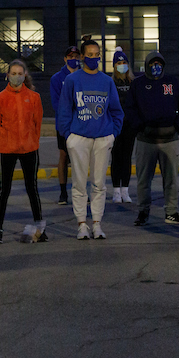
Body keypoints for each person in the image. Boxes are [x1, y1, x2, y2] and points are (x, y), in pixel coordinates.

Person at [57, 37, 124, 240]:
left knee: (98, 183)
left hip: (103, 138)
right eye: (90, 55)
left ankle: (97, 223)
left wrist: (113, 133)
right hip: (79, 137)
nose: (93, 58)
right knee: (79, 183)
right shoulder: (72, 80)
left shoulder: (107, 81)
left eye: (97, 55)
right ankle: (81, 224)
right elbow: (64, 110)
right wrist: (69, 136)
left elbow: (116, 111)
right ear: (83, 57)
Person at [128, 50, 179, 227]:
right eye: (153, 64)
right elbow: (130, 109)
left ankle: (171, 212)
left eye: (159, 64)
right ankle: (143, 211)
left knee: (171, 179)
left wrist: (177, 125)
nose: (156, 67)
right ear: (147, 65)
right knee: (143, 179)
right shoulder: (138, 84)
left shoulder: (172, 82)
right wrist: (141, 127)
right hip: (146, 139)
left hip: (170, 138)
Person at [0, 60, 45, 243]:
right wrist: (5, 140)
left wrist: (32, 141)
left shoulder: (34, 97)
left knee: (32, 188)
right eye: (13, 73)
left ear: (25, 75)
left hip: (29, 148)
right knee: (4, 190)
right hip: (7, 149)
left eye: (20, 73)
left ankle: (40, 229)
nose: (16, 76)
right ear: (7, 75)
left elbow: (37, 123)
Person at [49, 45, 82, 205]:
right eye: (71, 57)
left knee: (81, 158)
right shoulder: (57, 78)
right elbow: (57, 104)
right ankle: (63, 192)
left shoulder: (85, 76)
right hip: (64, 124)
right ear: (65, 59)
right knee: (63, 155)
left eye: (76, 57)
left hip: (82, 123)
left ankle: (81, 191)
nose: (74, 60)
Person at [109, 48, 137, 204]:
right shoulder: (111, 82)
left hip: (129, 127)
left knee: (126, 158)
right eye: (119, 63)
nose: (122, 65)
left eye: (124, 62)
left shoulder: (133, 83)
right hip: (115, 126)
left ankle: (125, 190)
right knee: (116, 158)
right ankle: (116, 191)